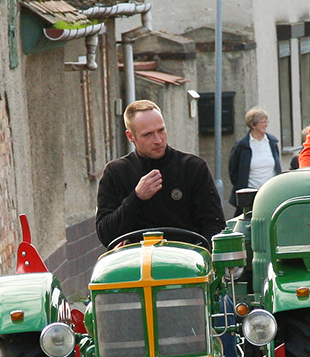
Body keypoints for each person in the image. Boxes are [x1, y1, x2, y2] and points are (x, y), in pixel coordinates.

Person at [96, 100, 226, 247]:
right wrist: (136, 197)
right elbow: (106, 235)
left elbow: (215, 225)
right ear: (131, 137)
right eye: (148, 135)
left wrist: (198, 255)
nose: (158, 140)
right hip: (135, 263)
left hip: (186, 261)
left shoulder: (193, 167)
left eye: (161, 130)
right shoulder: (115, 172)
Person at [228, 107, 282, 206]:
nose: (266, 125)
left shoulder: (272, 143)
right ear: (253, 125)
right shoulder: (241, 146)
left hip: (271, 193)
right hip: (250, 196)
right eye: (263, 122)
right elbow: (233, 172)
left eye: (267, 122)